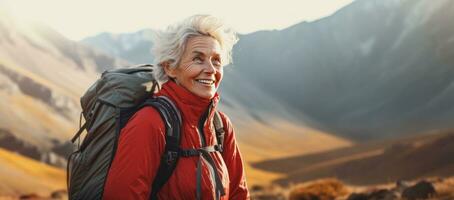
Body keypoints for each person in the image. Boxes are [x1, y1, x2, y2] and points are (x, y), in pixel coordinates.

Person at [103, 15, 250, 200]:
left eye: (216, 60)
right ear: (170, 68)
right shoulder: (150, 122)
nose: (211, 69)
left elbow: (238, 193)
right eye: (198, 59)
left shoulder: (221, 125)